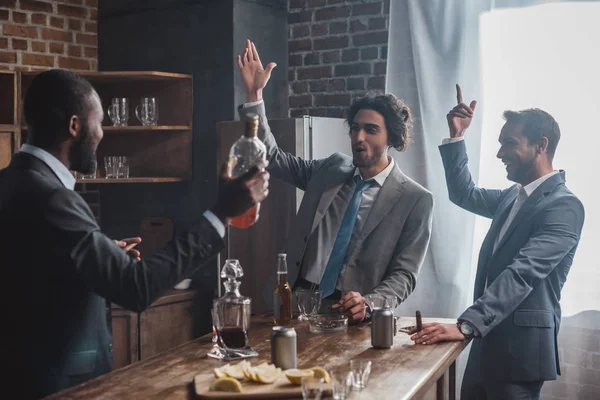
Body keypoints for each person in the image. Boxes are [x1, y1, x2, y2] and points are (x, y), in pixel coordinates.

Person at [0, 69, 269, 398]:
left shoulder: (9, 182)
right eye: (98, 123)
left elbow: (29, 268)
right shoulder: (55, 198)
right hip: (59, 387)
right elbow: (135, 287)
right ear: (74, 126)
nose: (102, 134)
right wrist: (222, 213)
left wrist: (100, 254)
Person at [237, 40, 434, 322]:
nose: (359, 138)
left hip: (353, 315)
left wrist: (370, 303)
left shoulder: (416, 199)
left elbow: (405, 274)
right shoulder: (331, 168)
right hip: (294, 302)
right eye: (355, 128)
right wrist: (254, 94)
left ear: (392, 137)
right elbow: (271, 157)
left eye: (371, 130)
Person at [410, 84, 585, 399]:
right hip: (484, 345)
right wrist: (457, 135)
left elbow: (524, 271)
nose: (500, 153)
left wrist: (465, 325)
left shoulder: (564, 205)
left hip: (520, 357)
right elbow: (464, 193)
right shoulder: (511, 197)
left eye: (509, 143)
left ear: (541, 145)